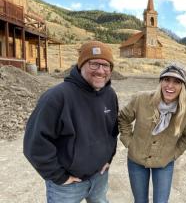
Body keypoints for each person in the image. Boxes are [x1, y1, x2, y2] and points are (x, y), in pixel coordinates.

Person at [24, 41, 119, 203]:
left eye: (106, 65)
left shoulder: (110, 95)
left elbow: (112, 131)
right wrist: (59, 176)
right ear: (81, 64)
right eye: (94, 64)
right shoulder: (56, 97)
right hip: (66, 187)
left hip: (100, 177)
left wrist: (108, 159)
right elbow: (35, 143)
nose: (101, 71)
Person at [118, 64, 186, 203]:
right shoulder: (141, 99)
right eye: (166, 80)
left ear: (183, 86)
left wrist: (174, 153)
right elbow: (123, 118)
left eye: (177, 82)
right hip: (136, 160)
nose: (170, 86)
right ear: (160, 81)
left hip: (164, 163)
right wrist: (128, 141)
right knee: (140, 200)